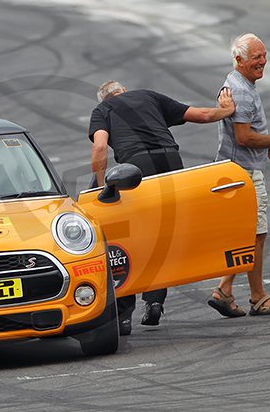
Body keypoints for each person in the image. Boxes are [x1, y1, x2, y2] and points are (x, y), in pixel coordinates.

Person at [89, 80, 236, 335]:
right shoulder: (148, 95)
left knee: (130, 240)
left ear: (104, 99)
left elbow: (100, 147)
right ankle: (155, 301)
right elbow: (201, 115)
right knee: (163, 236)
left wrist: (103, 187)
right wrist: (228, 109)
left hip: (136, 169)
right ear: (123, 90)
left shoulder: (103, 110)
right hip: (171, 163)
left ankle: (124, 316)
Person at [208, 33, 270, 318]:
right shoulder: (243, 92)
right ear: (239, 60)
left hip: (236, 168)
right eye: (256, 57)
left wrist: (269, 152)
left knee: (245, 234)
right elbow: (244, 137)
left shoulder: (235, 81)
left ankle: (224, 290)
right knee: (257, 235)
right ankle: (258, 297)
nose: (263, 61)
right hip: (243, 173)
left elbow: (241, 137)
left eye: (263, 55)